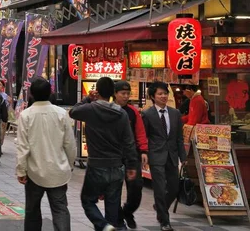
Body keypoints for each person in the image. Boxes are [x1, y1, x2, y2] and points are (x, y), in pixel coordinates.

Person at [69, 77, 138, 231]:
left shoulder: (90, 109)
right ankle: (110, 225)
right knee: (113, 206)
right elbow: (129, 142)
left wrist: (88, 98)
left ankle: (103, 225)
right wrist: (132, 165)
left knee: (87, 200)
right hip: (116, 166)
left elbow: (73, 112)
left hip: (96, 165)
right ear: (113, 93)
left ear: (97, 91)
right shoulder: (121, 114)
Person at [17, 77, 76, 231]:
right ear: (50, 92)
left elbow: (23, 147)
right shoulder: (61, 114)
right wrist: (69, 164)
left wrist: (21, 170)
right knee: (60, 209)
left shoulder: (26, 115)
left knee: (32, 210)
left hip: (34, 171)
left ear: (31, 94)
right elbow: (70, 143)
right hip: (58, 170)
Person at [142, 82, 187, 231]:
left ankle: (160, 207)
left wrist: (183, 157)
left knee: (174, 188)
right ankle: (165, 221)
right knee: (160, 188)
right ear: (153, 97)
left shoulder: (175, 113)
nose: (163, 96)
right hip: (156, 156)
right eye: (160, 94)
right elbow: (144, 136)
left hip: (172, 156)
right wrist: (145, 154)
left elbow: (179, 138)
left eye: (165, 93)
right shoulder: (148, 114)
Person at [113, 81, 148, 230]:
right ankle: (119, 219)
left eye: (128, 94)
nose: (126, 96)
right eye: (123, 93)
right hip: (113, 157)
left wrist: (144, 150)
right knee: (114, 190)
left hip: (131, 157)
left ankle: (127, 212)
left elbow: (140, 132)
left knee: (136, 189)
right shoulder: (108, 110)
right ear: (115, 94)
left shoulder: (133, 112)